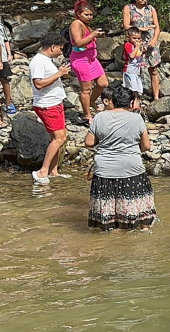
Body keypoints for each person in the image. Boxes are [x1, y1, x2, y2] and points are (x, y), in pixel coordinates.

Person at [85, 83, 156, 231]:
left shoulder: (100, 117)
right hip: (132, 168)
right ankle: (144, 231)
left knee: (111, 213)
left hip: (105, 170)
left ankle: (112, 234)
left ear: (112, 100)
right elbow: (146, 146)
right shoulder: (136, 119)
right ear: (130, 103)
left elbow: (89, 142)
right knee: (141, 207)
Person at [30, 32, 70, 185]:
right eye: (60, 48)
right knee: (59, 138)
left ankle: (53, 171)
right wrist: (59, 73)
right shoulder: (38, 61)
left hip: (55, 103)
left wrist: (59, 72)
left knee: (58, 138)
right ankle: (42, 171)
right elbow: (38, 84)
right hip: (47, 105)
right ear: (53, 47)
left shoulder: (46, 60)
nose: (62, 51)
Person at [68, 0, 108, 121]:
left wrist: (96, 35)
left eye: (91, 15)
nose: (90, 17)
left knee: (103, 83)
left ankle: (91, 101)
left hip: (92, 59)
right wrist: (92, 35)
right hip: (81, 60)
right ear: (78, 13)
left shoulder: (86, 25)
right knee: (86, 89)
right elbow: (78, 43)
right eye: (87, 15)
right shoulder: (76, 24)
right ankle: (87, 115)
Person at [121, 0, 162, 102]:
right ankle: (135, 97)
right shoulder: (129, 8)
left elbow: (157, 26)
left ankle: (156, 97)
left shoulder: (150, 9)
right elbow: (126, 25)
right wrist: (142, 29)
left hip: (150, 43)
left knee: (153, 69)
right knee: (134, 69)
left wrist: (154, 39)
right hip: (135, 43)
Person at [121, 26, 146, 107]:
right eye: (134, 38)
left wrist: (141, 48)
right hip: (129, 70)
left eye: (138, 38)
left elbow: (139, 54)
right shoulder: (128, 45)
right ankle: (132, 102)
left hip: (136, 71)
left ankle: (136, 100)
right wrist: (137, 47)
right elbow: (131, 55)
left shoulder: (137, 45)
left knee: (137, 87)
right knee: (131, 88)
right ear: (128, 37)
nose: (137, 40)